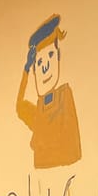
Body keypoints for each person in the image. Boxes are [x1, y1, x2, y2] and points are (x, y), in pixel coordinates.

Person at [16, 13, 82, 168]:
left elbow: (71, 149)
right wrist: (25, 70)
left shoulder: (64, 95)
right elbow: (20, 107)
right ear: (34, 72)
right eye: (38, 63)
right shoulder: (39, 110)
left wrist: (43, 141)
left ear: (58, 58)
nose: (45, 67)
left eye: (50, 55)